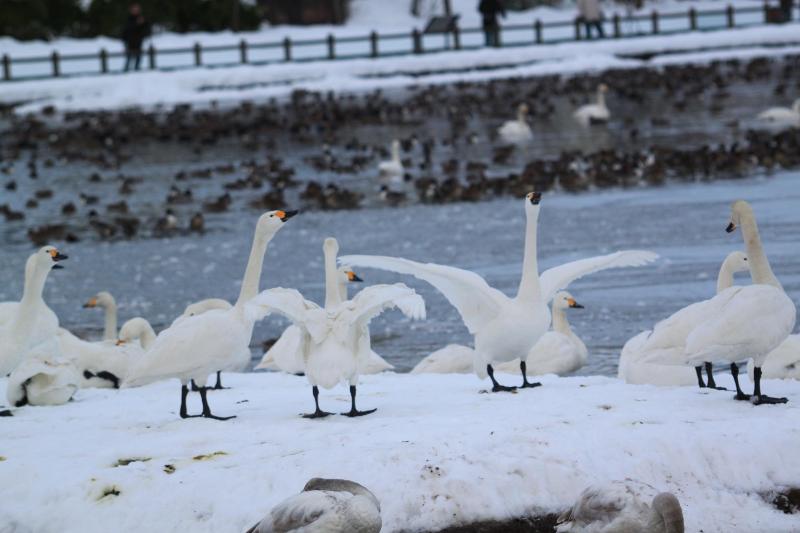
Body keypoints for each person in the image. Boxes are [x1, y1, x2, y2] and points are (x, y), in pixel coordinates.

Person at [122, 3, 150, 72]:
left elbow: (146, 30)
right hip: (129, 41)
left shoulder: (142, 18)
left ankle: (137, 70)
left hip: (138, 41)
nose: (135, 11)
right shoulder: (128, 19)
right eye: (134, 9)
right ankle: (126, 71)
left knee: (138, 57)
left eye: (136, 9)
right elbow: (126, 30)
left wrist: (143, 23)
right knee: (129, 58)